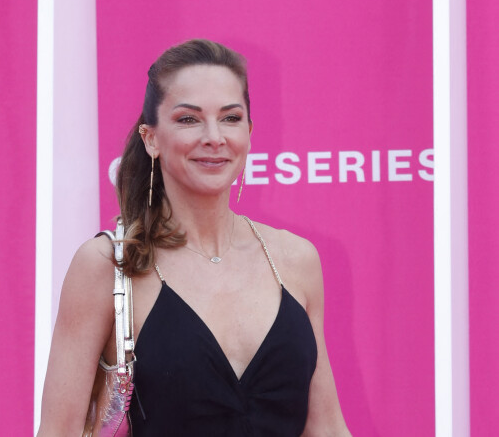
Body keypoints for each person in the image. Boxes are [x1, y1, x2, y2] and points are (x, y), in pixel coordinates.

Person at [37, 39, 351, 436]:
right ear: (151, 138)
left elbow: (325, 427)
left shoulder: (295, 259)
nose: (214, 137)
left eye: (231, 118)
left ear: (250, 133)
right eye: (189, 119)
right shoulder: (108, 265)